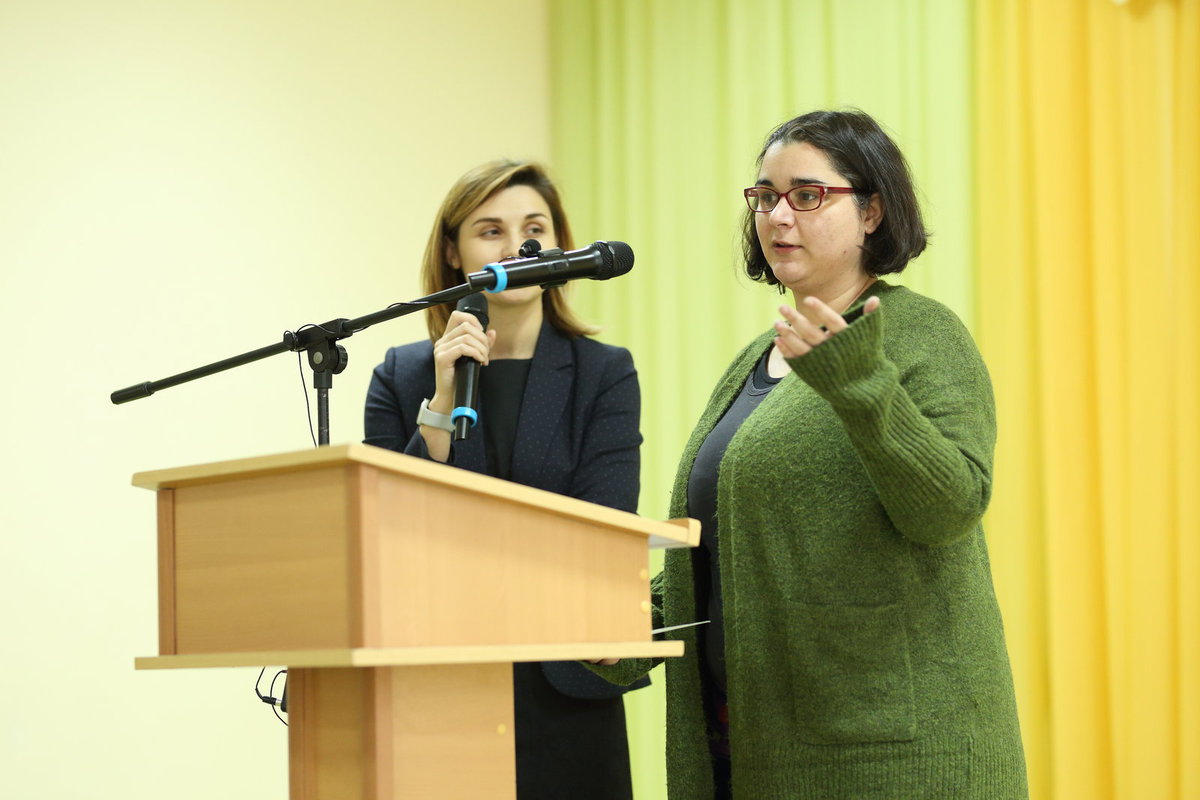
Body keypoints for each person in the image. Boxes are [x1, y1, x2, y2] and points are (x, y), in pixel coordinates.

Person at [590, 110, 1028, 798]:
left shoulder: (922, 334)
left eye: (807, 194)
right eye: (765, 196)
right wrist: (630, 626)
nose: (778, 216)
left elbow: (950, 509)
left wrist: (862, 389)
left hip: (894, 760)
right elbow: (738, 549)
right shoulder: (755, 360)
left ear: (871, 213)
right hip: (747, 747)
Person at [363, 159, 647, 800]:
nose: (517, 247)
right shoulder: (401, 376)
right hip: (438, 679)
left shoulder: (604, 373)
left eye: (534, 229)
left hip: (565, 676)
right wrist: (440, 405)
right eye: (490, 230)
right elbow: (388, 532)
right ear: (453, 252)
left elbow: (605, 523)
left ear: (560, 246)